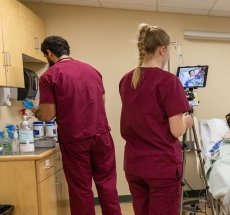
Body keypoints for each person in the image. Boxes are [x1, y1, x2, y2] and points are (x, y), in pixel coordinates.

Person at [35, 36, 121, 215]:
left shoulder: (49, 76)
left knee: (80, 190)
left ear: (49, 53)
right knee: (107, 185)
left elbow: (48, 114)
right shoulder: (92, 70)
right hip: (102, 135)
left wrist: (36, 112)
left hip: (75, 140)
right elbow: (101, 101)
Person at [119, 23, 193, 215]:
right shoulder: (169, 82)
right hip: (161, 167)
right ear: (162, 50)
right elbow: (176, 130)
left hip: (135, 165)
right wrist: (187, 121)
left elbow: (141, 117)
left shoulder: (126, 80)